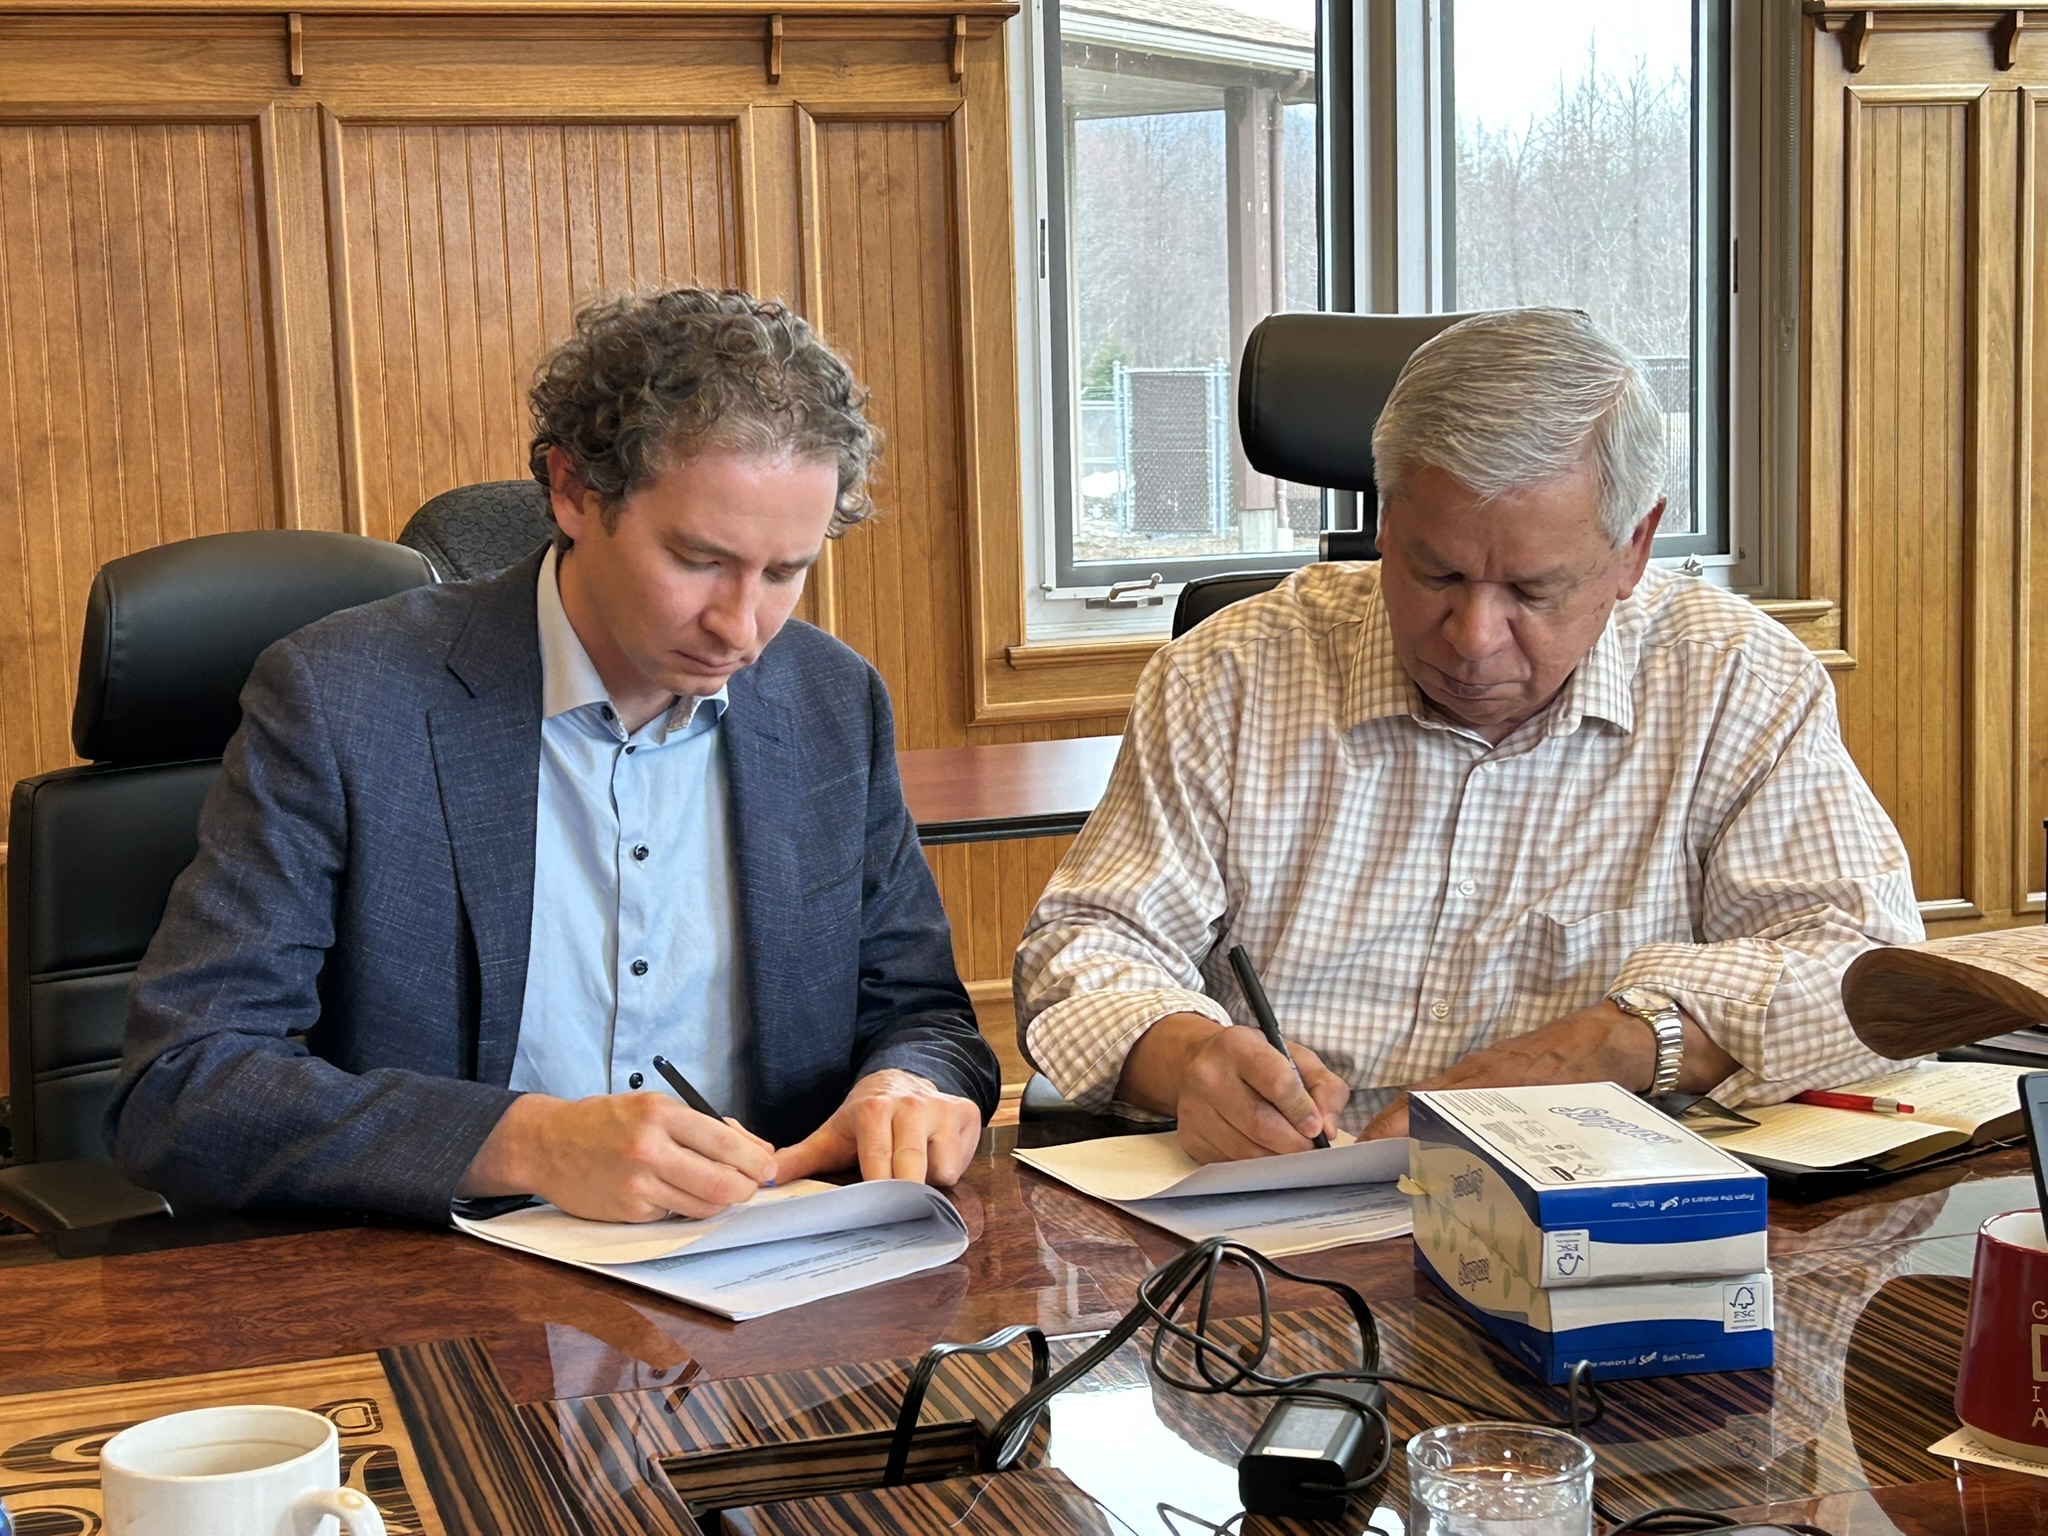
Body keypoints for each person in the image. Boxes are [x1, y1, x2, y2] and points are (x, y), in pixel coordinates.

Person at [111, 288, 999, 1224]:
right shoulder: (343, 698)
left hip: (768, 1274)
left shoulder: (829, 700)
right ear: (573, 490)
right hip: (454, 1286)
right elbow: (184, 1083)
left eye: (786, 571)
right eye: (699, 560)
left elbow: (925, 1015)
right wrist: (526, 1140)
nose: (742, 626)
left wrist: (906, 1086)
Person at [1014, 308, 1922, 1162]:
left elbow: (1871, 982)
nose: (1473, 638)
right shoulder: (1231, 676)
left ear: (1635, 547)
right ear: (1384, 516)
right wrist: (1187, 1057)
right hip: (1281, 1220)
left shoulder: (1735, 681)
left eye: (1532, 591)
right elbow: (1085, 946)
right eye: (1434, 571)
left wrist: (1615, 1044)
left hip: (1599, 1219)